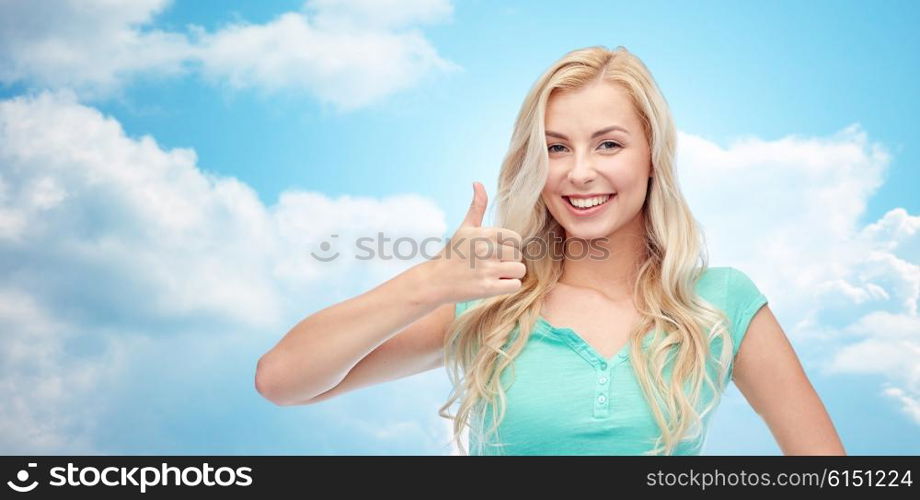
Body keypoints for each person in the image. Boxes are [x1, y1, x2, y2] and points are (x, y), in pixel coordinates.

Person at [254, 45, 846, 456]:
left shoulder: (721, 302)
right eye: (556, 148)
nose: (579, 172)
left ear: (652, 158)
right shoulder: (491, 301)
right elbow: (283, 380)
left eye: (608, 144)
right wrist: (430, 282)